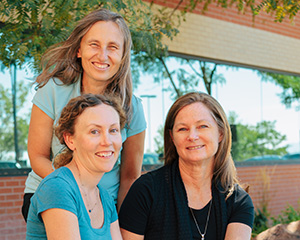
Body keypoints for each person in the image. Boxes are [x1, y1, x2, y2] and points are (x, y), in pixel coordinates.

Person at [22, 8, 146, 221]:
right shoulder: (52, 90)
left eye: (113, 47)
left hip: (106, 203)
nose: (103, 55)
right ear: (79, 50)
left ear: (123, 56)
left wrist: (121, 222)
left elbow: (130, 177)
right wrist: (81, 190)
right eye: (94, 45)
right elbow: (38, 157)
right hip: (54, 192)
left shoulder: (133, 107)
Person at [119, 92, 255, 240]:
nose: (192, 136)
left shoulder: (237, 201)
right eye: (182, 129)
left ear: (220, 133)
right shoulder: (146, 191)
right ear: (172, 137)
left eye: (202, 126)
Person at [26, 94, 125, 239]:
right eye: (94, 131)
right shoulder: (57, 188)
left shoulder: (105, 198)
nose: (107, 141)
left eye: (113, 130)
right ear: (70, 139)